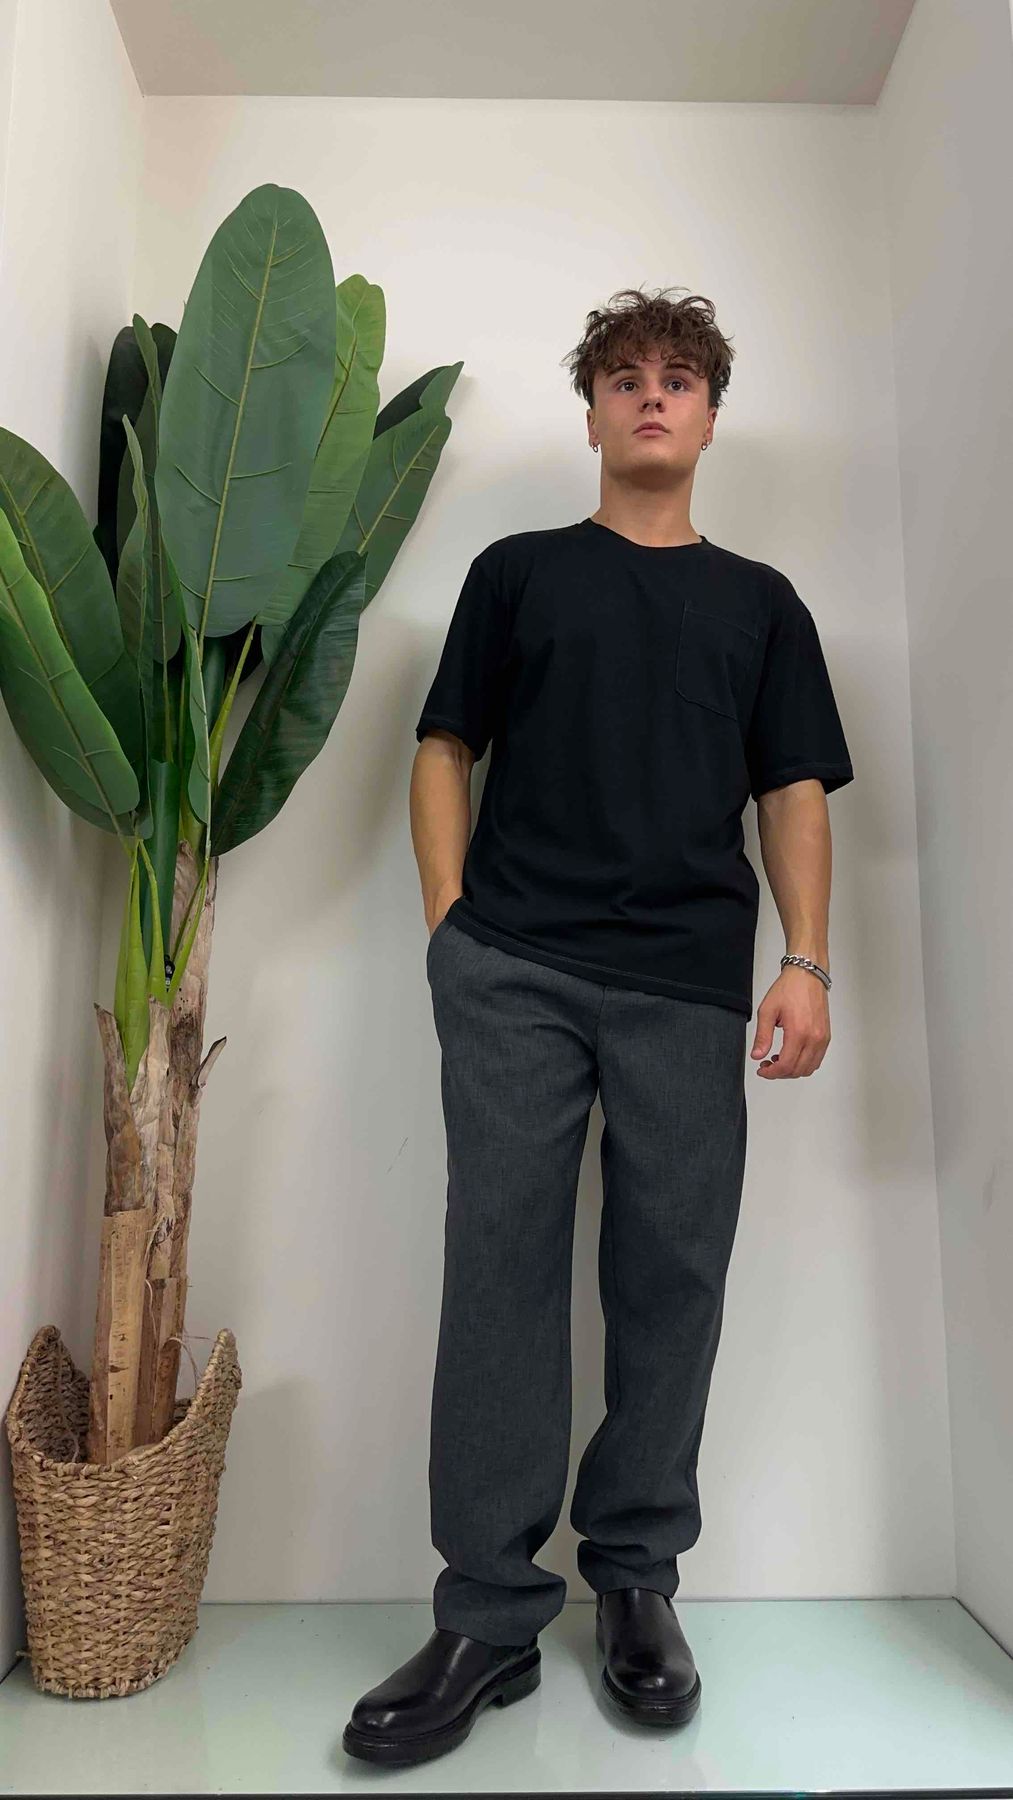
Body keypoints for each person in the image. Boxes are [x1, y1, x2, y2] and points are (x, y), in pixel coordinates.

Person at [342, 286, 854, 1768]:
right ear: (590, 413)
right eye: (624, 377)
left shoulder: (762, 603)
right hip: (513, 969)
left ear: (709, 417)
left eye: (678, 378)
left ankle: (635, 1578)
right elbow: (445, 744)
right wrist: (449, 925)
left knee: (671, 1274)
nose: (650, 396)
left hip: (690, 981)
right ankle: (488, 1616)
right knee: (498, 1272)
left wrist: (807, 961)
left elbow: (793, 791)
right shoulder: (517, 574)